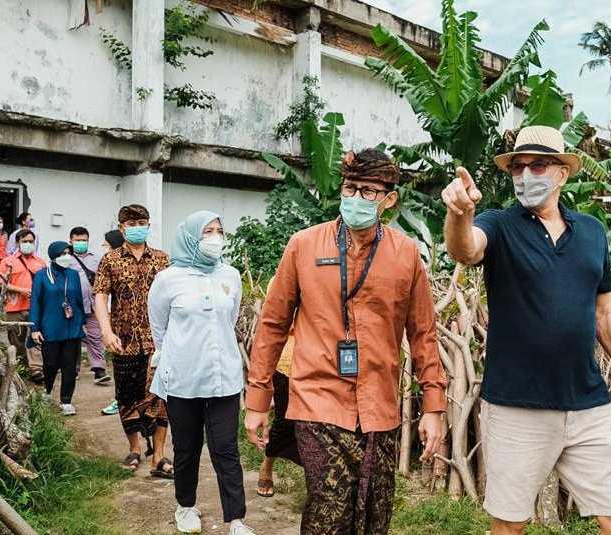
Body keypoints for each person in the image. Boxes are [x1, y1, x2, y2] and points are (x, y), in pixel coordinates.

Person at [441, 125, 611, 535]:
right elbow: (465, 249)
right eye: (518, 167)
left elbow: (604, 312)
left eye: (538, 165)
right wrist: (459, 214)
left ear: (562, 173)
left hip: (588, 404)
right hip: (517, 406)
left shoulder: (591, 231)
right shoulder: (499, 224)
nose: (525, 175)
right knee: (509, 527)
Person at [244, 148, 448, 535]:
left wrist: (434, 405)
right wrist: (258, 400)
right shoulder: (304, 245)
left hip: (380, 407)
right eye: (350, 188)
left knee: (374, 514)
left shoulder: (405, 255)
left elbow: (423, 333)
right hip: (317, 400)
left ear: (389, 200)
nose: (356, 198)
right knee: (329, 508)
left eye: (368, 191)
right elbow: (272, 326)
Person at [148, 211, 254, 535]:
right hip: (184, 379)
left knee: (226, 449)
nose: (214, 237)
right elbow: (159, 328)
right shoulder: (168, 279)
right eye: (207, 231)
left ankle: (236, 519)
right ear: (192, 235)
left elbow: (230, 319)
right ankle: (185, 507)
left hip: (224, 379)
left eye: (219, 230)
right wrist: (174, 358)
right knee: (187, 449)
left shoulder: (231, 275)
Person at [93, 204, 171, 475]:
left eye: (143, 222)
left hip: (158, 341)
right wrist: (105, 329)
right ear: (121, 227)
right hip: (123, 340)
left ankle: (159, 456)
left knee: (160, 397)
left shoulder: (162, 259)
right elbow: (101, 295)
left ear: (149, 225)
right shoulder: (111, 260)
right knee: (126, 397)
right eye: (132, 223)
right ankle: (135, 448)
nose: (138, 227)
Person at [29, 241, 86, 416]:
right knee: (51, 364)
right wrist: (34, 328)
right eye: (62, 254)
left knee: (70, 365)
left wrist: (81, 321)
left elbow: (78, 301)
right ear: (53, 256)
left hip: (71, 327)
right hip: (50, 327)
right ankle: (47, 391)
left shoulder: (74, 275)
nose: (66, 256)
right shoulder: (41, 276)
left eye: (69, 253)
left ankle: (66, 400)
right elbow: (35, 303)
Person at [257, 280, 300, 499]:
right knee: (285, 420)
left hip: (324, 363)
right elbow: (276, 321)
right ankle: (267, 464)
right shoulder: (280, 279)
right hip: (288, 362)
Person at [0, 229, 47, 383]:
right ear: (18, 243)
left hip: (36, 307)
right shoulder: (8, 261)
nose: (28, 244)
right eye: (25, 241)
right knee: (16, 341)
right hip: (14, 307)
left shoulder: (40, 262)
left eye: (31, 241)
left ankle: (36, 370)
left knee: (36, 338)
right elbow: (2, 284)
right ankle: (21, 369)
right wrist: (22, 291)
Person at [67, 226, 110, 385]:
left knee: (96, 336)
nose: (81, 243)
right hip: (72, 307)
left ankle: (99, 370)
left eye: (84, 240)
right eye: (77, 240)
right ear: (70, 241)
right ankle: (73, 369)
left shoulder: (96, 259)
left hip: (93, 305)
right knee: (73, 338)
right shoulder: (66, 259)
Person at [99, 229, 126, 416]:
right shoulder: (108, 264)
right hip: (114, 322)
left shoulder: (120, 266)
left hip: (126, 325)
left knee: (123, 365)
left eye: (106, 244)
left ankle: (122, 400)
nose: (103, 247)